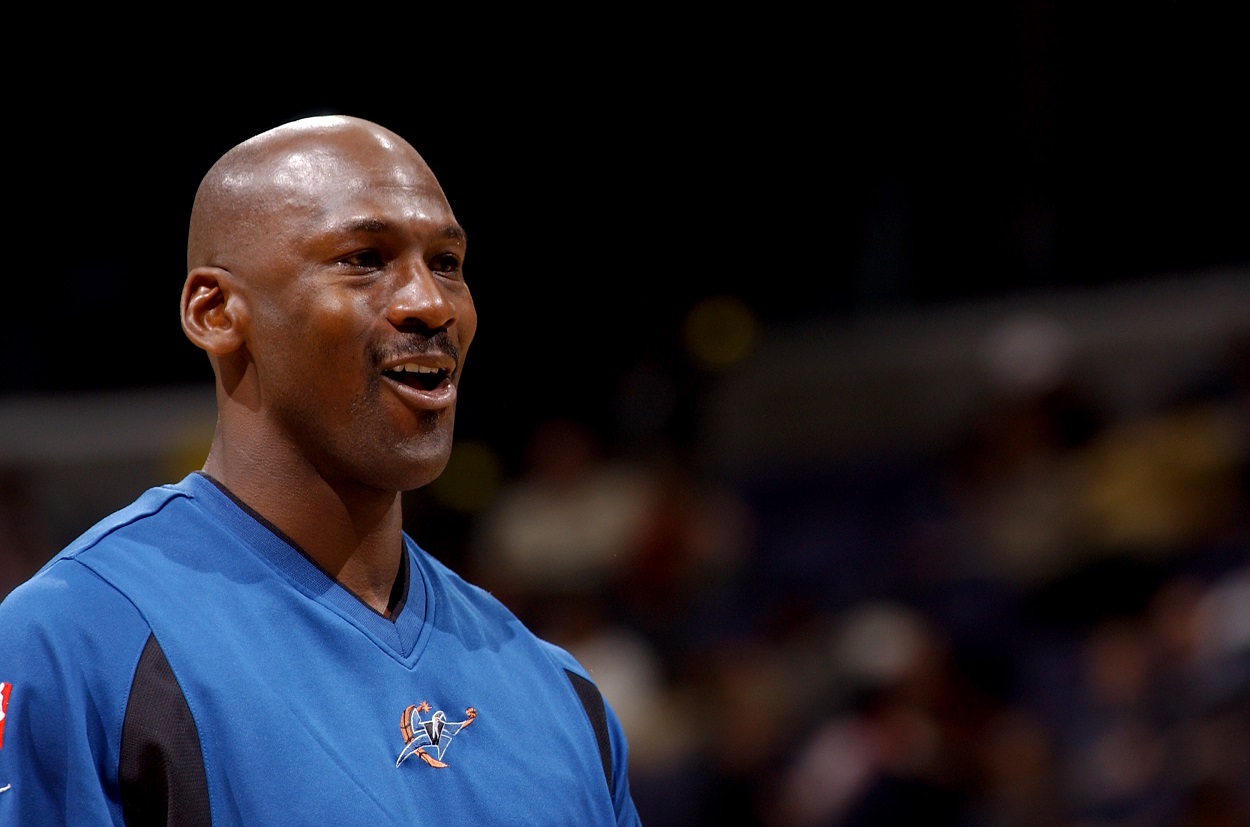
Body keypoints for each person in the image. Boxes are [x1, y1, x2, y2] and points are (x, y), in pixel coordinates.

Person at [0, 114, 642, 825]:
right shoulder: (74, 641)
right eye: (365, 258)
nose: (431, 303)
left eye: (448, 263)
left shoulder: (557, 690)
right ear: (215, 311)